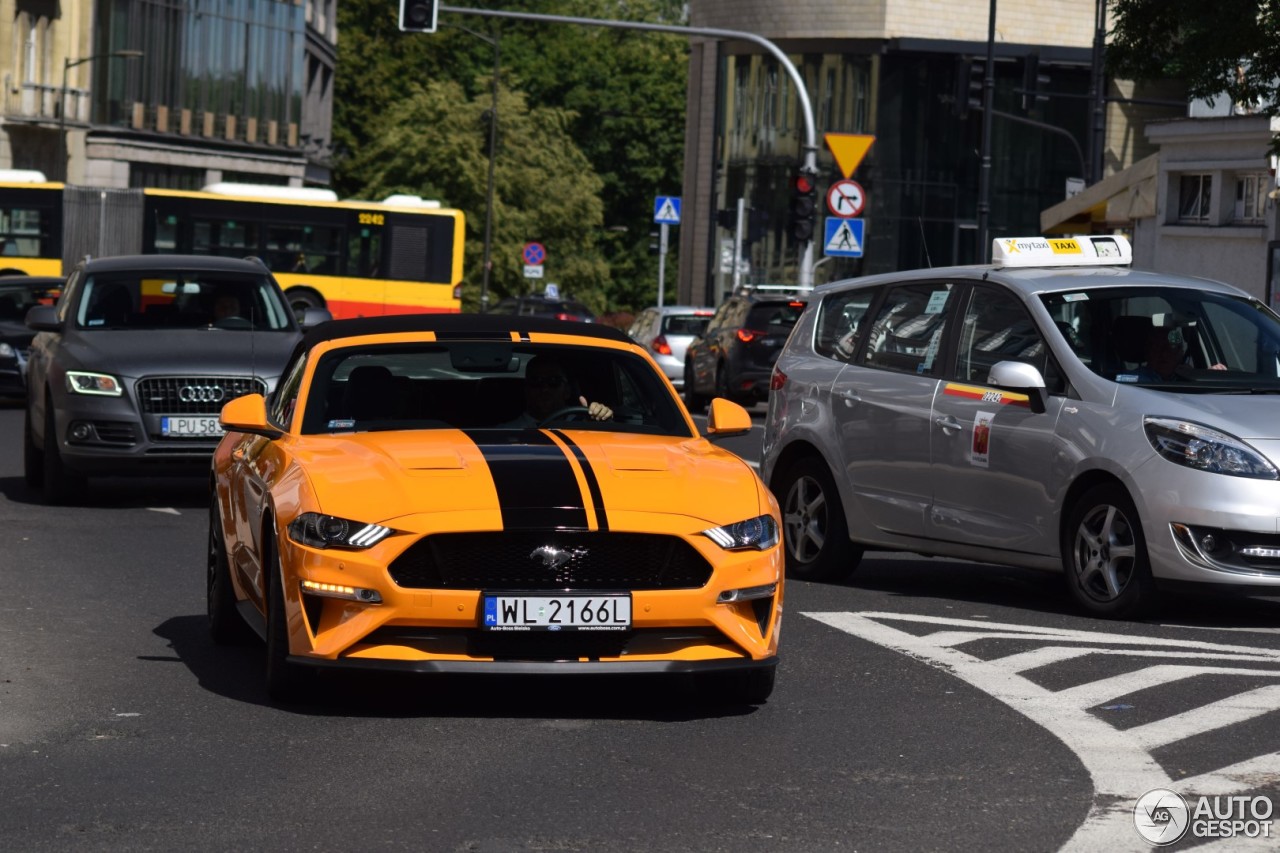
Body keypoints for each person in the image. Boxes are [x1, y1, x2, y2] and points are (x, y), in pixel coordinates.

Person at [502, 356, 613, 427]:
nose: (545, 389)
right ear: (526, 390)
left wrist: (601, 417)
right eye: (536, 382)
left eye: (554, 382)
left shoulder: (584, 423)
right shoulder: (505, 432)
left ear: (567, 391)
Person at [1134, 325, 1225, 382]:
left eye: (1170, 349)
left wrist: (1205, 376)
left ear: (1180, 353)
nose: (1164, 355)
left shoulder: (1186, 378)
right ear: (1147, 352)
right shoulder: (1134, 380)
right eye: (1157, 348)